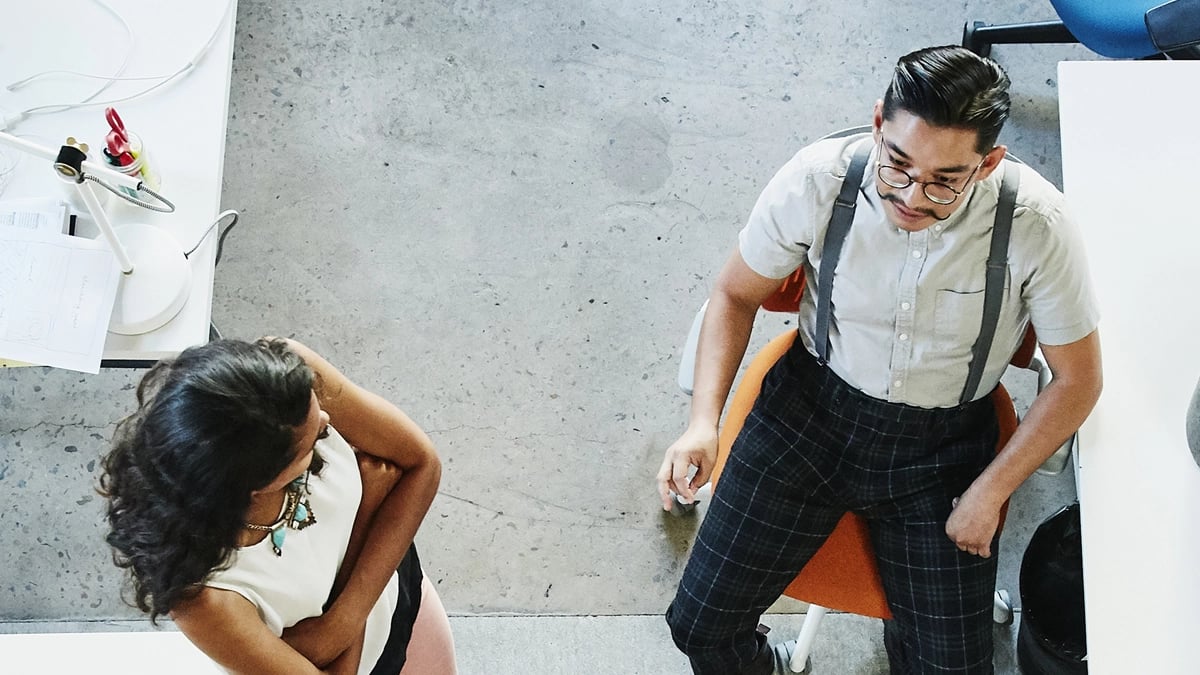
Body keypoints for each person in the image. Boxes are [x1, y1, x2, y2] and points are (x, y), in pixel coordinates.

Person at [657, 45, 1102, 674]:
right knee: (699, 627)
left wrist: (991, 491)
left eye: (945, 180)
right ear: (877, 123)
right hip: (809, 413)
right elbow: (734, 294)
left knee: (953, 670)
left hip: (942, 446)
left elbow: (1079, 379)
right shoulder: (819, 178)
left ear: (989, 162)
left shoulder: (1038, 223)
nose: (913, 197)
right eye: (897, 165)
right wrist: (703, 421)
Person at [100, 337, 456, 674]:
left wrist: (332, 633)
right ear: (257, 486)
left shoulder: (284, 377)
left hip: (400, 589)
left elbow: (422, 463)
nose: (327, 422)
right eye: (313, 440)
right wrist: (368, 514)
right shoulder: (204, 600)